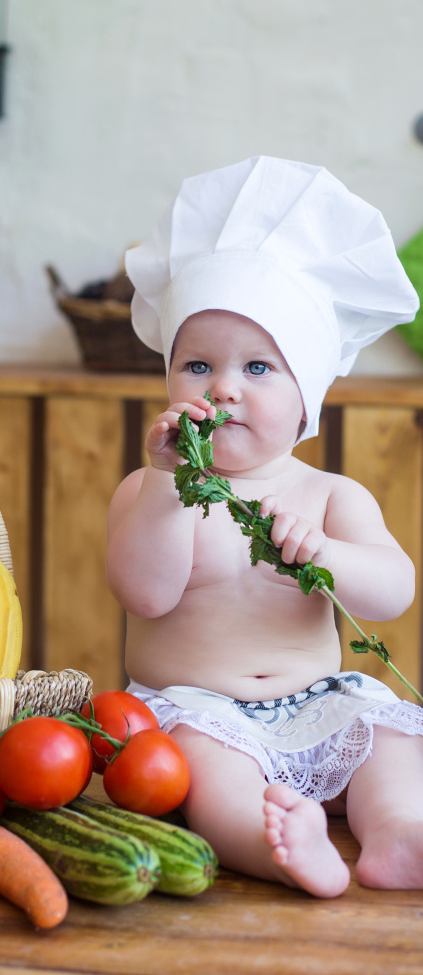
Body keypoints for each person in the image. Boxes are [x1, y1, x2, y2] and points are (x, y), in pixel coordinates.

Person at [106, 156, 423, 898]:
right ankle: (274, 842)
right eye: (196, 365)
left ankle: (401, 831)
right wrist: (165, 485)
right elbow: (145, 594)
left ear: (306, 396)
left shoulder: (329, 495)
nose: (221, 387)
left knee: (386, 738)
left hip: (320, 702)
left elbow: (394, 590)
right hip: (200, 710)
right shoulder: (151, 488)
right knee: (208, 778)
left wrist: (329, 556)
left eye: (257, 368)